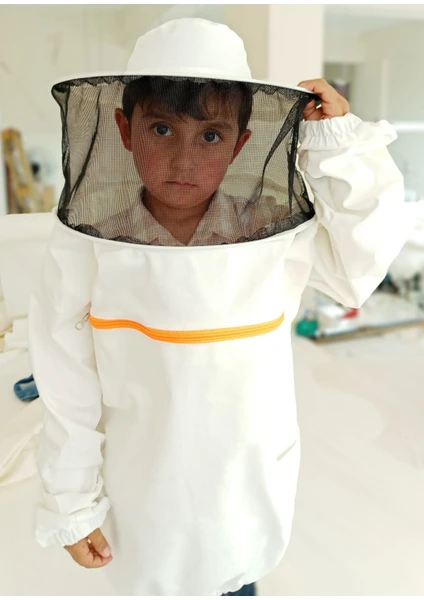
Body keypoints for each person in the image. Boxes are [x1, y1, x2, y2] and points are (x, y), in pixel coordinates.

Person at [29, 18, 408, 597]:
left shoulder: (274, 232)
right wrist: (71, 498)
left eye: (210, 136)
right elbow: (64, 375)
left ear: (240, 144)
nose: (183, 160)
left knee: (237, 576)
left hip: (247, 488)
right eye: (162, 129)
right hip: (141, 490)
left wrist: (341, 147)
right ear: (125, 130)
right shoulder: (90, 243)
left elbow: (359, 266)